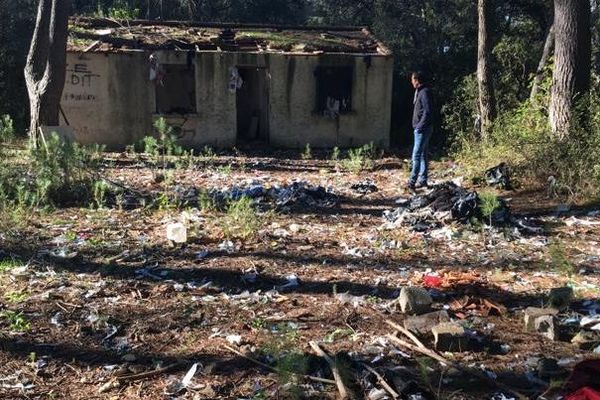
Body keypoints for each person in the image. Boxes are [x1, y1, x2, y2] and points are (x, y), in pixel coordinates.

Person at [407, 71, 433, 190]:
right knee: (422, 155)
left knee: (416, 155)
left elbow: (428, 111)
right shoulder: (420, 92)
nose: (411, 82)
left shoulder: (424, 92)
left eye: (412, 79)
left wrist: (420, 126)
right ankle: (423, 180)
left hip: (422, 129)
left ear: (417, 80)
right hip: (421, 128)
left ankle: (412, 182)